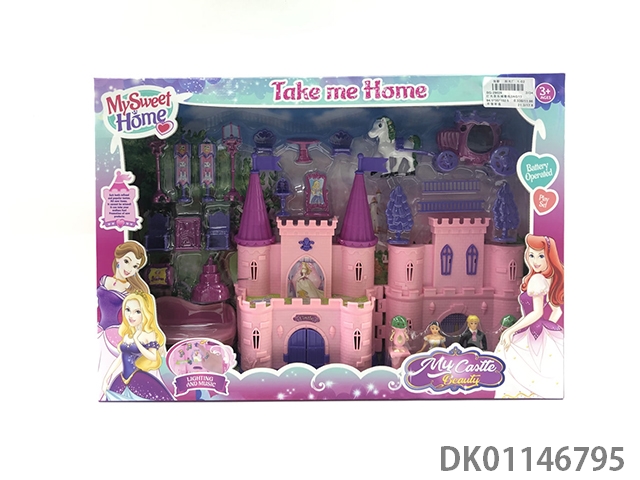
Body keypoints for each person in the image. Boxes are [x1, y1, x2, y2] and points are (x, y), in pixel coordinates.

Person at [493, 234, 564, 398]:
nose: (535, 261)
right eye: (531, 255)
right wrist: (547, 329)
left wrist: (510, 330)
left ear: (549, 257)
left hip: (531, 332)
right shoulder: (547, 278)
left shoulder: (538, 279)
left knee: (512, 362)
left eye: (541, 256)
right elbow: (557, 311)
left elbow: (538, 312)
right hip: (538, 330)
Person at [102, 292, 174, 401]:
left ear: (146, 313)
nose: (131, 315)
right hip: (122, 379)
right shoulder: (127, 334)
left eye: (137, 312)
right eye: (128, 310)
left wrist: (137, 341)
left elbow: (153, 356)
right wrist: (107, 377)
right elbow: (120, 358)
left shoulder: (149, 334)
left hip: (139, 378)